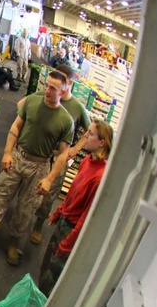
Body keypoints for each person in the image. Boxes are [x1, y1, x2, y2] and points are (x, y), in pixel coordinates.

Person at [0, 70, 74, 265]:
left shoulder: (65, 120)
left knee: (27, 208)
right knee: (0, 195)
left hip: (40, 165)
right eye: (47, 85)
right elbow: (16, 127)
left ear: (62, 92)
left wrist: (49, 179)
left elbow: (63, 154)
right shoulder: (31, 102)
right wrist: (7, 153)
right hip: (18, 157)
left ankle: (13, 241)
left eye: (53, 88)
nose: (47, 90)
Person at [38, 121, 114, 294]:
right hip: (64, 222)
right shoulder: (87, 161)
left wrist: (67, 245)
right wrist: (59, 211)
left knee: (54, 275)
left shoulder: (100, 177)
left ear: (102, 142)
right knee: (46, 266)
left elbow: (87, 218)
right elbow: (73, 192)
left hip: (72, 230)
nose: (85, 136)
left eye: (90, 133)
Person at [28, 63, 91, 244]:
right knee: (28, 188)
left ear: (69, 83)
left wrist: (75, 149)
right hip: (38, 152)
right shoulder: (44, 96)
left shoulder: (77, 107)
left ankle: (39, 224)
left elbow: (89, 132)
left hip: (58, 156)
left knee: (49, 194)